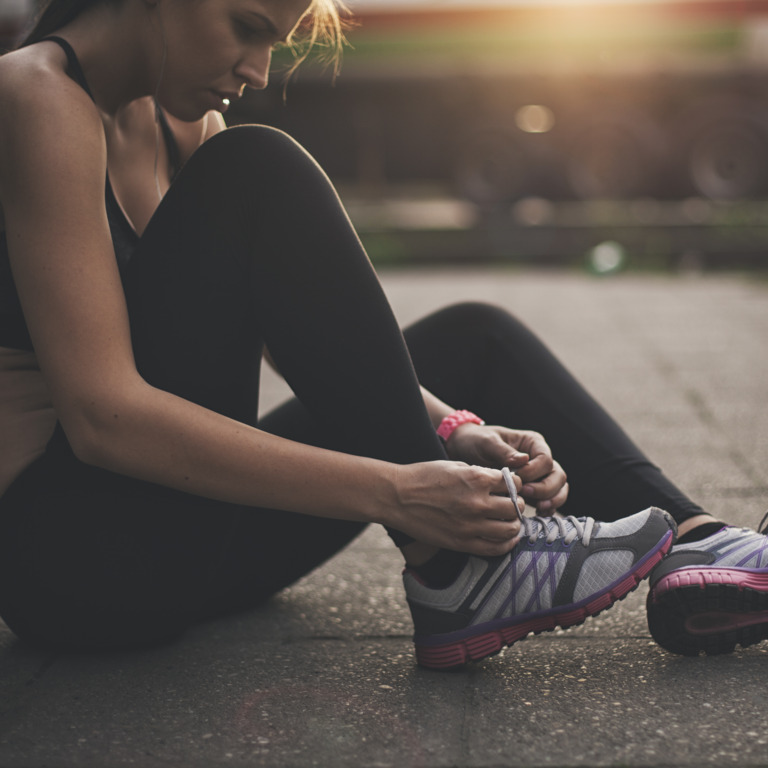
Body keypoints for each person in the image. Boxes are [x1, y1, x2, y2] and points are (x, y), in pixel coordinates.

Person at [0, 0, 764, 670]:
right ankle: (454, 576)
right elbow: (104, 419)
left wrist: (451, 431)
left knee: (473, 337)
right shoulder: (35, 93)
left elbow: (294, 340)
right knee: (258, 166)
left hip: (194, 539)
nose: (260, 71)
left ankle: (701, 546)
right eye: (246, 28)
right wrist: (401, 493)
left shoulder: (184, 120)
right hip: (78, 564)